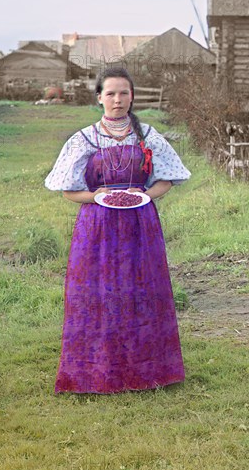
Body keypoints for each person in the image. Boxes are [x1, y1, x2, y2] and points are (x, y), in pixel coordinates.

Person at [44, 67, 191, 394]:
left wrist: (144, 196)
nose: (118, 99)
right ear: (99, 98)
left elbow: (168, 179)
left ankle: (148, 372)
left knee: (141, 293)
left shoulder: (148, 136)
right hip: (97, 228)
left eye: (124, 93)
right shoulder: (83, 139)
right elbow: (68, 191)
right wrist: (96, 196)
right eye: (110, 93)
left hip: (141, 225)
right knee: (98, 295)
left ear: (132, 97)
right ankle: (95, 373)